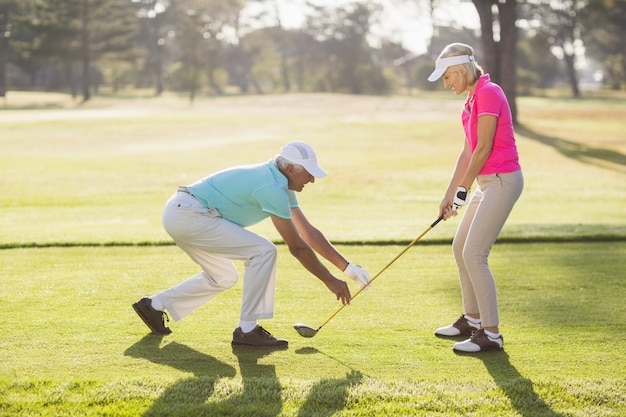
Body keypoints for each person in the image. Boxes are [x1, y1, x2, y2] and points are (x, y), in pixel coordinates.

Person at [132, 141, 372, 349]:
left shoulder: (278, 181)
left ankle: (154, 305)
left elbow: (307, 232)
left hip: (183, 213)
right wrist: (330, 280)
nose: (311, 179)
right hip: (190, 215)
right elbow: (297, 247)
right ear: (290, 168)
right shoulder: (271, 187)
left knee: (223, 277)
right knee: (263, 251)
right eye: (308, 173)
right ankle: (247, 331)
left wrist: (347, 269)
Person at [427, 43, 524, 353]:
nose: (446, 84)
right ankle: (472, 320)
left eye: (447, 77)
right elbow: (468, 151)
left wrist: (463, 191)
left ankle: (491, 334)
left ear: (460, 71)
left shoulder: (489, 92)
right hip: (486, 183)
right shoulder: (470, 101)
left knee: (475, 254)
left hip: (502, 181)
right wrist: (449, 194)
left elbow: (484, 148)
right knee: (460, 248)